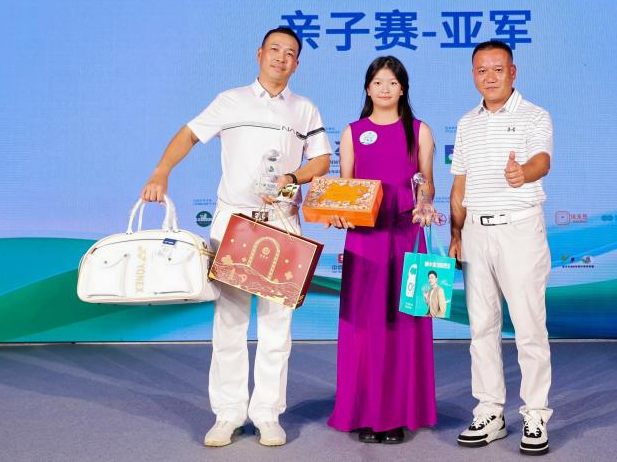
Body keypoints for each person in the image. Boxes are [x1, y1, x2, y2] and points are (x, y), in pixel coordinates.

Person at [140, 27, 331, 448]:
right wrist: (161, 171)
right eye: (274, 49)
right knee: (230, 321)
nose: (281, 58)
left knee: (277, 325)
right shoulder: (231, 100)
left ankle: (268, 415)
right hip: (235, 223)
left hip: (281, 222)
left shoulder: (304, 109)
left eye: (290, 53)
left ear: (298, 64)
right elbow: (190, 134)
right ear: (259, 54)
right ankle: (228, 414)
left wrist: (292, 177)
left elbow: (321, 159)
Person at [326, 56, 439, 444]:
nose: (385, 89)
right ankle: (363, 411)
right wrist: (337, 211)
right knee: (364, 326)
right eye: (378, 82)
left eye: (392, 82)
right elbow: (345, 188)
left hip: (407, 235)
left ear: (403, 88)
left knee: (404, 324)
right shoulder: (352, 132)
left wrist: (425, 201)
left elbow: (427, 182)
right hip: (365, 239)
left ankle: (396, 414)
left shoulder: (419, 130)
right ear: (367, 88)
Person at [449, 40, 553, 456]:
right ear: (473, 75)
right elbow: (459, 183)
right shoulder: (466, 122)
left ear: (513, 72)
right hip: (476, 231)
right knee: (482, 327)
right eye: (481, 70)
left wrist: (522, 173)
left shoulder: (535, 115)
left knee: (528, 327)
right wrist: (456, 234)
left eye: (497, 69)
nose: (489, 77)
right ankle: (490, 411)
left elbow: (542, 160)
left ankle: (535, 414)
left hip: (520, 229)